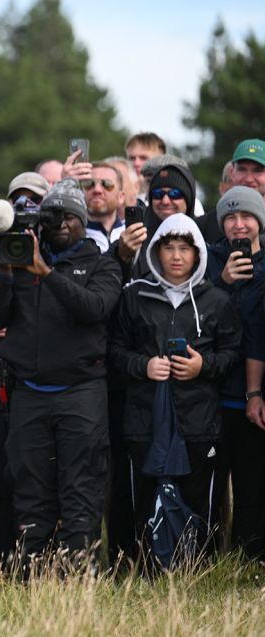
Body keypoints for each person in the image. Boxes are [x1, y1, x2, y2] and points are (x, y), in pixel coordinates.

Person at [0, 181, 122, 566]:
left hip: (81, 394)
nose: (61, 224)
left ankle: (80, 577)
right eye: (52, 216)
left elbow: (94, 308)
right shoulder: (19, 263)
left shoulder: (102, 263)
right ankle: (33, 578)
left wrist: (48, 273)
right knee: (31, 491)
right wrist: (6, 272)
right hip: (29, 393)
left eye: (70, 217)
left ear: (83, 220)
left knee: (81, 490)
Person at [108, 215, 240, 565]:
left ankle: (201, 570)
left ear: (198, 254)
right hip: (144, 420)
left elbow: (232, 353)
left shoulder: (216, 300)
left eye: (185, 248)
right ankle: (146, 570)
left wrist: (203, 366)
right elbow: (114, 350)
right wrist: (144, 365)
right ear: (156, 251)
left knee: (199, 500)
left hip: (199, 421)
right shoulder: (134, 295)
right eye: (169, 248)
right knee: (145, 499)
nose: (177, 256)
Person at [206, 187, 265, 559]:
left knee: (253, 487)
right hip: (212, 394)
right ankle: (208, 558)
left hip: (253, 398)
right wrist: (223, 282)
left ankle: (249, 558)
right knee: (210, 490)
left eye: (246, 217)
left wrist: (255, 392)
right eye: (230, 218)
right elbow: (195, 314)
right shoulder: (209, 262)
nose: (238, 225)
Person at [82, 163, 126, 253]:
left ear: (121, 197)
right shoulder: (73, 237)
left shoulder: (132, 234)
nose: (97, 190)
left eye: (107, 184)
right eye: (89, 184)